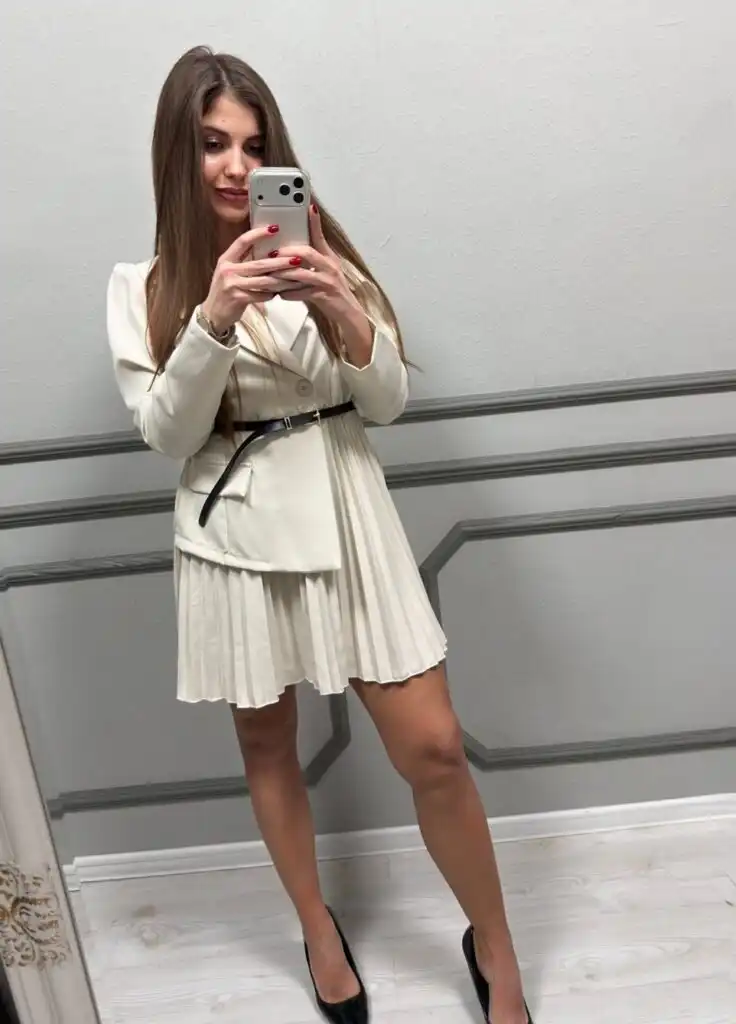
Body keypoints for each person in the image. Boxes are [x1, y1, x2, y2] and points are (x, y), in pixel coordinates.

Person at [106, 45, 532, 1024]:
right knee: (267, 744)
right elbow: (168, 435)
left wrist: (341, 306)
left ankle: (494, 946)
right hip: (234, 534)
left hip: (347, 509)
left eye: (254, 146)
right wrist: (212, 319)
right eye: (212, 142)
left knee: (434, 747)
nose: (234, 165)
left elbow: (384, 404)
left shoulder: (322, 251)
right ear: (176, 151)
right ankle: (318, 930)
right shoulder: (144, 285)